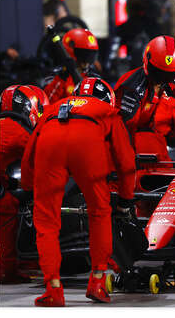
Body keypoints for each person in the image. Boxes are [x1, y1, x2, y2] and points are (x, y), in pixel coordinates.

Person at [21, 77, 136, 306]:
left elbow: (29, 154)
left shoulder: (55, 106)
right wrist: (125, 199)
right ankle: (97, 282)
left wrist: (28, 189)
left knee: (46, 221)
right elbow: (127, 163)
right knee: (99, 213)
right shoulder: (107, 111)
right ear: (108, 98)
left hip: (49, 144)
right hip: (87, 146)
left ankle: (53, 289)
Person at [0, 85, 49, 284]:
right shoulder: (21, 132)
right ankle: (8, 269)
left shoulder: (0, 124)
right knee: (7, 206)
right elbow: (46, 159)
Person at [43, 28, 100, 103]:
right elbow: (47, 103)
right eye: (84, 55)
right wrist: (61, 78)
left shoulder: (94, 78)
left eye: (90, 56)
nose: (87, 62)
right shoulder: (56, 76)